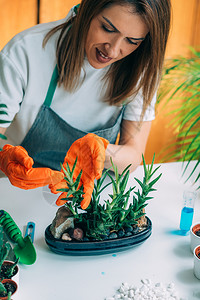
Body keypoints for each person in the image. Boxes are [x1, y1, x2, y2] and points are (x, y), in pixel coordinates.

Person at [0, 0, 171, 208]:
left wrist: (101, 152)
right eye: (107, 28)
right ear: (88, 10)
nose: (113, 50)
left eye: (132, 41)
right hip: (18, 195)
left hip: (90, 198)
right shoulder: (25, 52)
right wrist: (4, 158)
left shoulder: (141, 68)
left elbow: (134, 154)